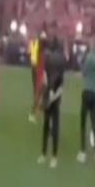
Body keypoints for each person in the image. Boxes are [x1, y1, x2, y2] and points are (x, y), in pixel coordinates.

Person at [37, 37, 65, 169]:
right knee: (55, 125)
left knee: (46, 124)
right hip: (56, 95)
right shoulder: (62, 60)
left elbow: (45, 79)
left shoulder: (48, 59)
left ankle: (44, 154)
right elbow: (61, 83)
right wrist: (55, 95)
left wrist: (46, 96)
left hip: (49, 93)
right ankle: (53, 157)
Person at [77, 36, 95, 164]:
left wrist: (81, 63)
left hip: (87, 91)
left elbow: (84, 72)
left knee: (83, 123)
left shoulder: (89, 57)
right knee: (94, 123)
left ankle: (83, 152)